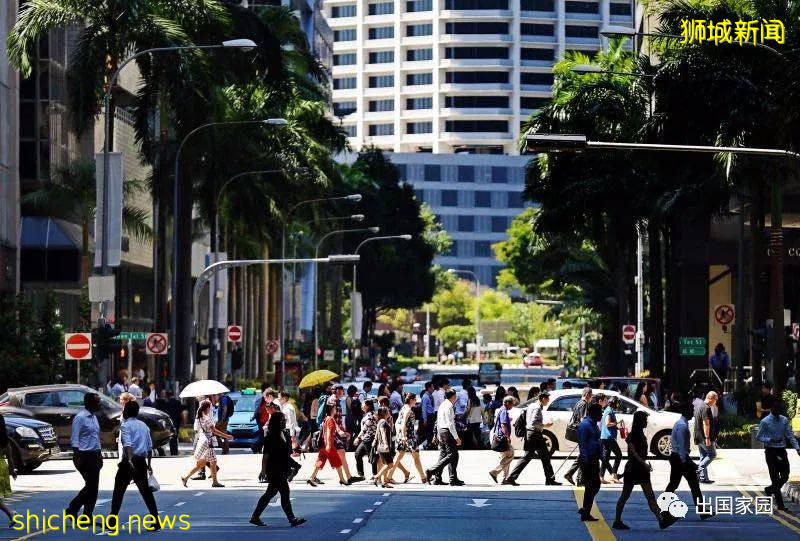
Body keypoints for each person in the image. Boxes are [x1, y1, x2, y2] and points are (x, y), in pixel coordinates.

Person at [613, 410, 675, 530]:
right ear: (640, 421)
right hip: (635, 469)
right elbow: (633, 452)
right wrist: (644, 464)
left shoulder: (639, 433)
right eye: (645, 420)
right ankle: (617, 520)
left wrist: (644, 464)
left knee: (649, 495)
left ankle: (661, 520)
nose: (646, 422)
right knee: (625, 496)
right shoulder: (634, 435)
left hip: (639, 468)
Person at [249, 412, 306, 528]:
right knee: (285, 493)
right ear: (276, 422)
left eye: (284, 420)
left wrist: (295, 465)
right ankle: (292, 519)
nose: (284, 422)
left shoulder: (284, 433)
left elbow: (285, 455)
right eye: (281, 420)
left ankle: (255, 517)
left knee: (270, 493)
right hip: (274, 469)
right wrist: (263, 470)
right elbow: (266, 455)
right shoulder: (270, 437)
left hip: (282, 468)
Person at [109, 401, 159, 530]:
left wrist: (130, 461)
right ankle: (156, 520)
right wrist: (149, 465)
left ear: (126, 412)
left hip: (128, 463)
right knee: (146, 493)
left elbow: (128, 445)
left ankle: (112, 521)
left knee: (118, 492)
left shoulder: (125, 426)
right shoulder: (144, 426)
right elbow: (149, 447)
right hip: (141, 462)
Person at [504, 392, 560, 486]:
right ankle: (550, 479)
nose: (548, 401)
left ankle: (511, 477)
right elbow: (533, 423)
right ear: (542, 399)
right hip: (535, 434)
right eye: (547, 399)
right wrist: (545, 425)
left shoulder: (531, 405)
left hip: (530, 434)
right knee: (543, 457)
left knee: (531, 457)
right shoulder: (537, 408)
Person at [756, 399, 800, 511]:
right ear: (771, 409)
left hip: (781, 450)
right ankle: (780, 505)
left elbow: (790, 435)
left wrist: (797, 448)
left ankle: (770, 490)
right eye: (775, 409)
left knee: (785, 475)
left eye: (778, 409)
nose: (777, 411)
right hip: (771, 451)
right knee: (775, 478)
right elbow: (758, 436)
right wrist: (769, 439)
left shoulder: (784, 420)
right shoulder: (765, 421)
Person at [65, 393, 104, 519]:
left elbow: (96, 437)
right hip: (84, 455)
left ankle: (86, 513)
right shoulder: (80, 418)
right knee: (91, 486)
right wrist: (77, 457)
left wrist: (100, 454)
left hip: (95, 454)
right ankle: (74, 507)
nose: (100, 404)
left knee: (93, 487)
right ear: (90, 403)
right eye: (97, 402)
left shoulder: (94, 417)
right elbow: (74, 438)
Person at [181, 399, 233, 488]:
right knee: (207, 462)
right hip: (208, 442)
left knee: (209, 462)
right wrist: (227, 436)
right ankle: (213, 481)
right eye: (210, 407)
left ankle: (188, 478)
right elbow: (214, 431)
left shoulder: (200, 416)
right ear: (207, 408)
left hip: (205, 440)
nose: (211, 408)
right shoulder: (206, 418)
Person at [665, 402, 705, 511]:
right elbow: (682, 449)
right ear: (686, 411)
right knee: (693, 485)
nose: (693, 412)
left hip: (676, 458)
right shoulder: (682, 426)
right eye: (691, 410)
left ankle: (663, 506)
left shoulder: (680, 423)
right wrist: (688, 463)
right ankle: (702, 511)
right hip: (680, 459)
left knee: (673, 484)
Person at [425, 389, 464, 486]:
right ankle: (432, 470)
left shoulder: (443, 404)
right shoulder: (449, 406)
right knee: (452, 454)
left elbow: (438, 420)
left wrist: (437, 434)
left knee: (444, 454)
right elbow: (450, 423)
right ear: (453, 396)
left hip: (441, 430)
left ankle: (441, 479)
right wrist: (456, 437)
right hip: (447, 431)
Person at [307, 404, 348, 486]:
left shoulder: (326, 419)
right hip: (328, 445)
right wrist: (329, 444)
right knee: (337, 462)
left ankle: (311, 478)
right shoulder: (330, 419)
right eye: (335, 409)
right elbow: (329, 432)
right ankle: (342, 479)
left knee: (320, 461)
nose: (336, 410)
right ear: (332, 410)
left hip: (323, 445)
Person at [577, 403, 603, 522]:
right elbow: (582, 444)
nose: (601, 414)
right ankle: (585, 511)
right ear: (594, 413)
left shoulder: (594, 425)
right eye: (600, 412)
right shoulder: (585, 425)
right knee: (591, 485)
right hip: (588, 459)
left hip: (594, 458)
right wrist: (585, 459)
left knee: (593, 486)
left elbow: (597, 440)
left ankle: (585, 511)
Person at [393, 393, 427, 484]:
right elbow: (403, 423)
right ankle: (388, 477)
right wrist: (404, 436)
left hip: (404, 437)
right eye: (415, 399)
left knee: (400, 457)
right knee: (415, 457)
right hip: (409, 438)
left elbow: (397, 423)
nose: (416, 401)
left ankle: (423, 477)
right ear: (411, 400)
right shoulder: (408, 410)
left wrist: (399, 434)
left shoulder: (403, 408)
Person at [564, 387, 593, 486]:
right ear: (587, 395)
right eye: (591, 396)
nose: (591, 398)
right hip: (582, 433)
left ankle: (571, 474)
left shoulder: (578, 402)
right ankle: (579, 479)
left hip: (579, 432)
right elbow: (583, 420)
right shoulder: (584, 404)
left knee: (583, 455)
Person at [489, 396, 515, 484]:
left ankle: (505, 479)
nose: (512, 406)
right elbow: (503, 425)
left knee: (505, 457)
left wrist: (508, 420)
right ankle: (495, 472)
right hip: (502, 438)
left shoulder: (501, 410)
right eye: (512, 404)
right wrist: (507, 436)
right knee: (511, 454)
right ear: (507, 403)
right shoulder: (504, 411)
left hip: (499, 436)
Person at [694, 391, 718, 483]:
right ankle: (698, 469)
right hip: (704, 437)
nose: (715, 402)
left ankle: (703, 478)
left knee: (703, 456)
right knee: (712, 455)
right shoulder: (706, 408)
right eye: (715, 400)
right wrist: (707, 437)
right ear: (711, 398)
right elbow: (706, 423)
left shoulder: (698, 406)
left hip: (698, 436)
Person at [0, 414, 18, 526]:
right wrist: (12, 470)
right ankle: (10, 513)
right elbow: (10, 457)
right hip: (2, 467)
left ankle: (11, 512)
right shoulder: (4, 439)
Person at [600, 396, 622, 484]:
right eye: (617, 403)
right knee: (619, 455)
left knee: (606, 458)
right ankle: (614, 475)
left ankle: (601, 476)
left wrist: (617, 428)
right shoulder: (609, 411)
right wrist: (617, 423)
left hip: (605, 437)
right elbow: (607, 424)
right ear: (614, 403)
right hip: (608, 438)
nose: (618, 404)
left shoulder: (608, 409)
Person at [353, 400, 378, 480]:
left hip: (370, 438)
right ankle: (361, 475)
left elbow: (364, 429)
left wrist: (357, 438)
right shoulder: (367, 415)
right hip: (366, 439)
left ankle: (375, 474)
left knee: (372, 457)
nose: (361, 406)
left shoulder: (370, 415)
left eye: (363, 404)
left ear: (368, 406)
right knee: (358, 454)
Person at [373, 407, 396, 488]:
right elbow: (382, 433)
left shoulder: (381, 421)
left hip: (380, 447)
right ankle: (377, 476)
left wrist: (375, 442)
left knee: (386, 464)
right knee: (390, 465)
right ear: (385, 413)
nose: (389, 412)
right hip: (384, 447)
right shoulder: (383, 422)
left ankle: (384, 482)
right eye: (388, 411)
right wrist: (386, 444)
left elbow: (376, 433)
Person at [420, 381, 435, 448]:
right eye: (432, 387)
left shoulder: (430, 396)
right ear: (429, 388)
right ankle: (429, 444)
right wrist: (425, 419)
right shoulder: (425, 397)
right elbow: (424, 409)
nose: (433, 388)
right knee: (428, 431)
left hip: (431, 415)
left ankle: (430, 444)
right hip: (428, 416)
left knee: (431, 431)